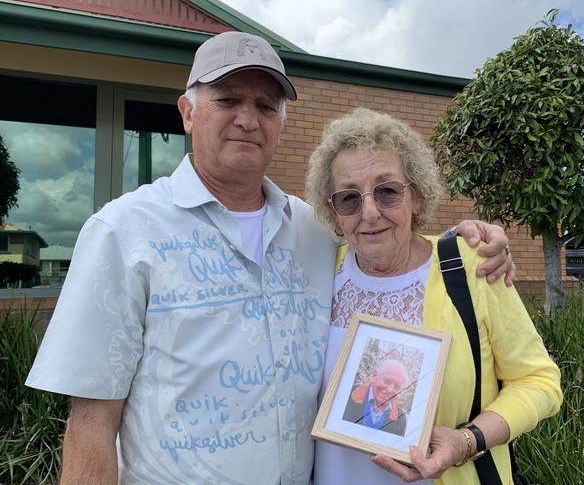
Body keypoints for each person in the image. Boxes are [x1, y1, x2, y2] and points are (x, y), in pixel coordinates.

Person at [26, 32, 515, 484]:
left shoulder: (313, 230)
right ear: (188, 113)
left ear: (281, 123)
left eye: (265, 104)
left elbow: (384, 234)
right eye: (228, 99)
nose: (247, 118)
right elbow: (91, 421)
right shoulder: (123, 232)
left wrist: (465, 240)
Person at [306, 107, 563, 485]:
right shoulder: (321, 269)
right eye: (349, 199)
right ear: (334, 211)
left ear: (418, 196)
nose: (370, 213)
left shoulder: (473, 267)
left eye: (388, 191)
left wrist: (467, 440)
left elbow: (539, 381)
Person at [342, 359, 410, 436]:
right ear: (374, 376)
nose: (390, 390)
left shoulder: (400, 419)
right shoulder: (346, 395)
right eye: (387, 381)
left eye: (397, 387)